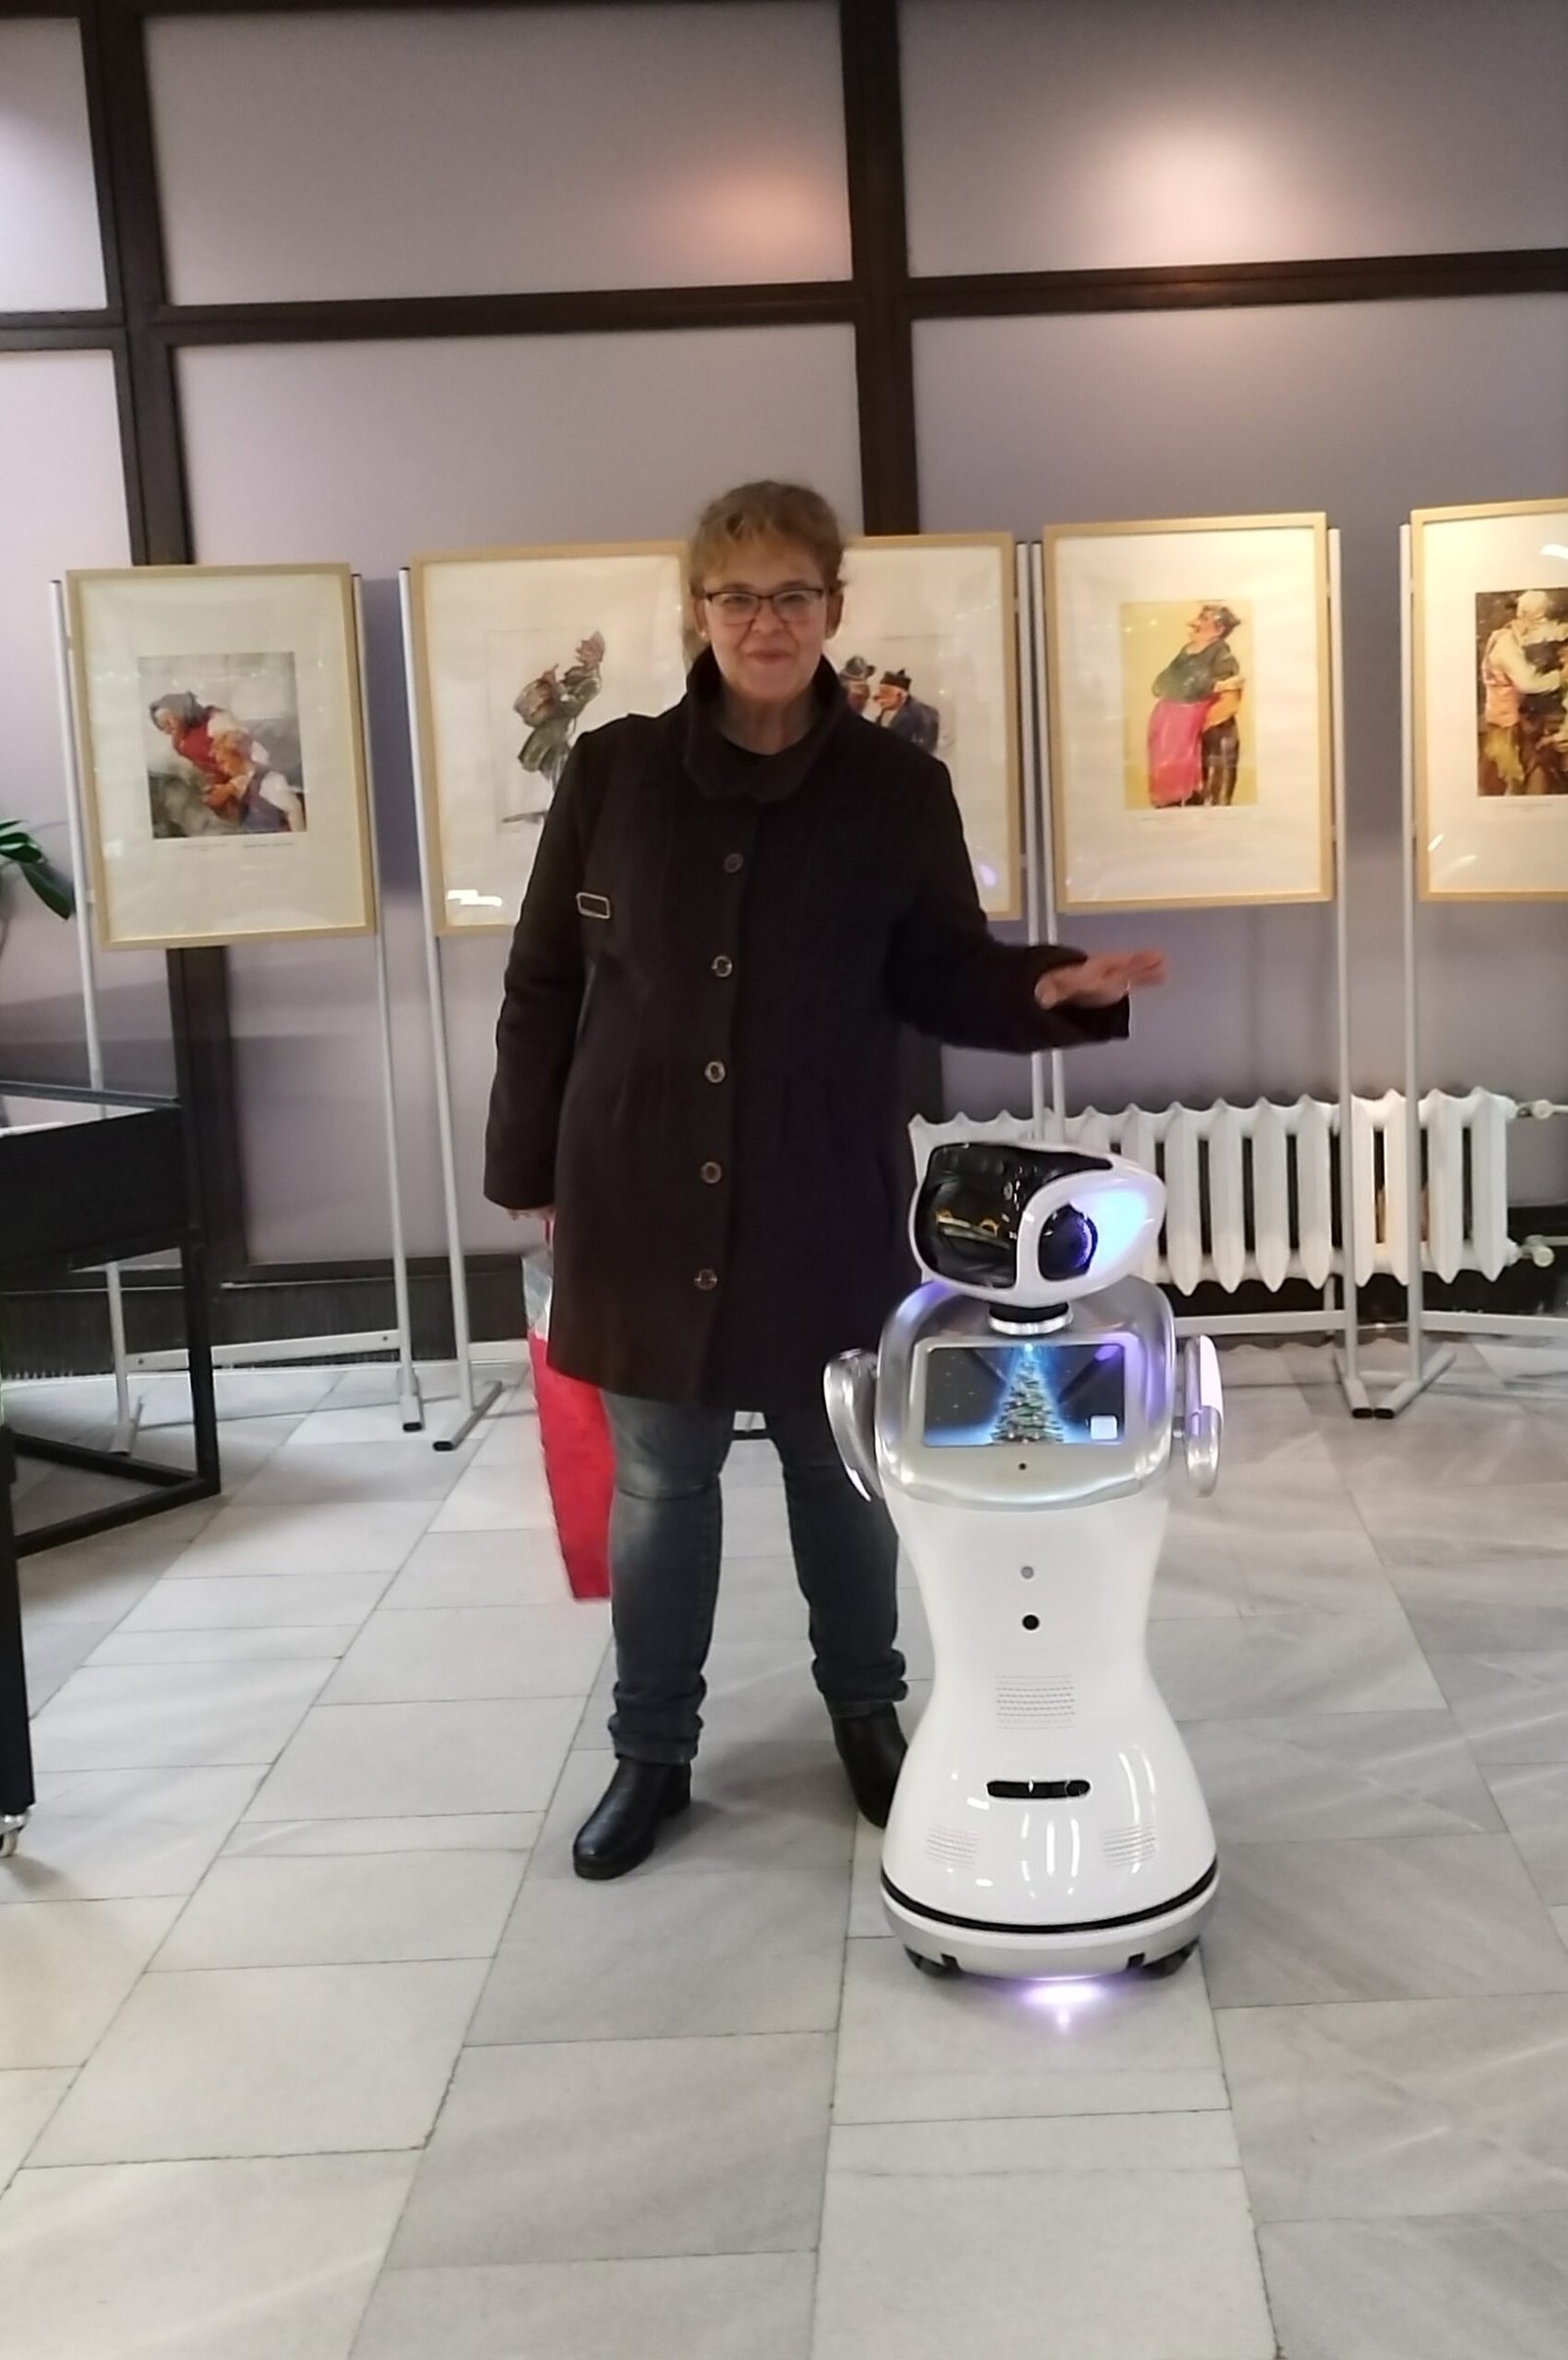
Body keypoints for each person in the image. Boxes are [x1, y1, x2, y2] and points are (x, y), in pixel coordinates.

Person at [485, 481, 1166, 1881]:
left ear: (834, 608)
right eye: (737, 596)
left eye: (792, 594)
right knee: (662, 1482)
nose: (765, 622)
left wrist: (1048, 986)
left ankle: (866, 1712)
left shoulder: (896, 789)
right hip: (637, 1183)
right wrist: (524, 1164)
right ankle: (650, 1752)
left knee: (837, 1465)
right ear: (698, 611)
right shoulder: (611, 773)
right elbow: (544, 980)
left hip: (819, 1184)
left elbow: (938, 972)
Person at [1146, 606, 1244, 808]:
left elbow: (1225, 696)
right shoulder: (1188, 652)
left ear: (1218, 629)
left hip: (1197, 729)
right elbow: (1160, 684)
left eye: (1203, 618)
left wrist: (1200, 689)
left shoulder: (1221, 656)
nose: (1193, 623)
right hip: (1170, 727)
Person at [1479, 592, 1568, 797]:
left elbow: (1550, 632)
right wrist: (1562, 676)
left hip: (1516, 722)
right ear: (1526, 616)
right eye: (1540, 618)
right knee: (1516, 778)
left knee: (1534, 770)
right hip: (1506, 726)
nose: (1544, 624)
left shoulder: (1518, 634)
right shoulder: (1506, 646)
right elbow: (1529, 683)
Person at [873, 666, 941, 753]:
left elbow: (924, 749)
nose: (876, 696)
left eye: (885, 692)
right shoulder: (886, 711)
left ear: (900, 696)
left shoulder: (923, 715)